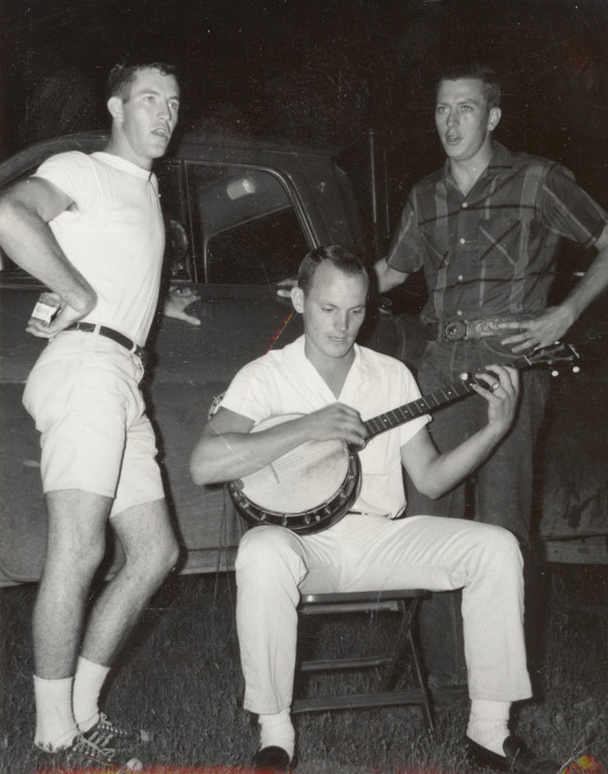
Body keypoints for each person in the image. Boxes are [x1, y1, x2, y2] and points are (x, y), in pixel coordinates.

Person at [190, 244, 561, 774]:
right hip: (302, 546)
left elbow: (430, 477)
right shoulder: (264, 375)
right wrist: (309, 427)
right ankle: (275, 737)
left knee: (496, 546)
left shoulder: (391, 375)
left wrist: (495, 429)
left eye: (356, 310)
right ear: (299, 300)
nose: (342, 326)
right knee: (261, 549)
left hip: (380, 539)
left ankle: (489, 731)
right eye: (328, 309)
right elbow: (204, 464)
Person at [374, 63, 608, 705]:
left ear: (493, 116)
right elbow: (391, 273)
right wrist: (316, 283)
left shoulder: (539, 179)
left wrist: (565, 313)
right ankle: (450, 679)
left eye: (466, 108)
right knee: (429, 517)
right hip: (440, 363)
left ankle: (501, 683)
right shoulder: (424, 195)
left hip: (511, 361)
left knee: (503, 525)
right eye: (442, 109)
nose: (451, 122)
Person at [0, 61, 184, 771]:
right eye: (148, 99)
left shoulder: (145, 188)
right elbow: (9, 211)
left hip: (120, 373)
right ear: (115, 107)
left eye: (173, 103)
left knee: (155, 552)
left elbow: (113, 265)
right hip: (86, 373)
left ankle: (82, 710)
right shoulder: (85, 168)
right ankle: (53, 734)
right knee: (78, 549)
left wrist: (157, 306)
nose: (164, 113)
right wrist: (77, 295)